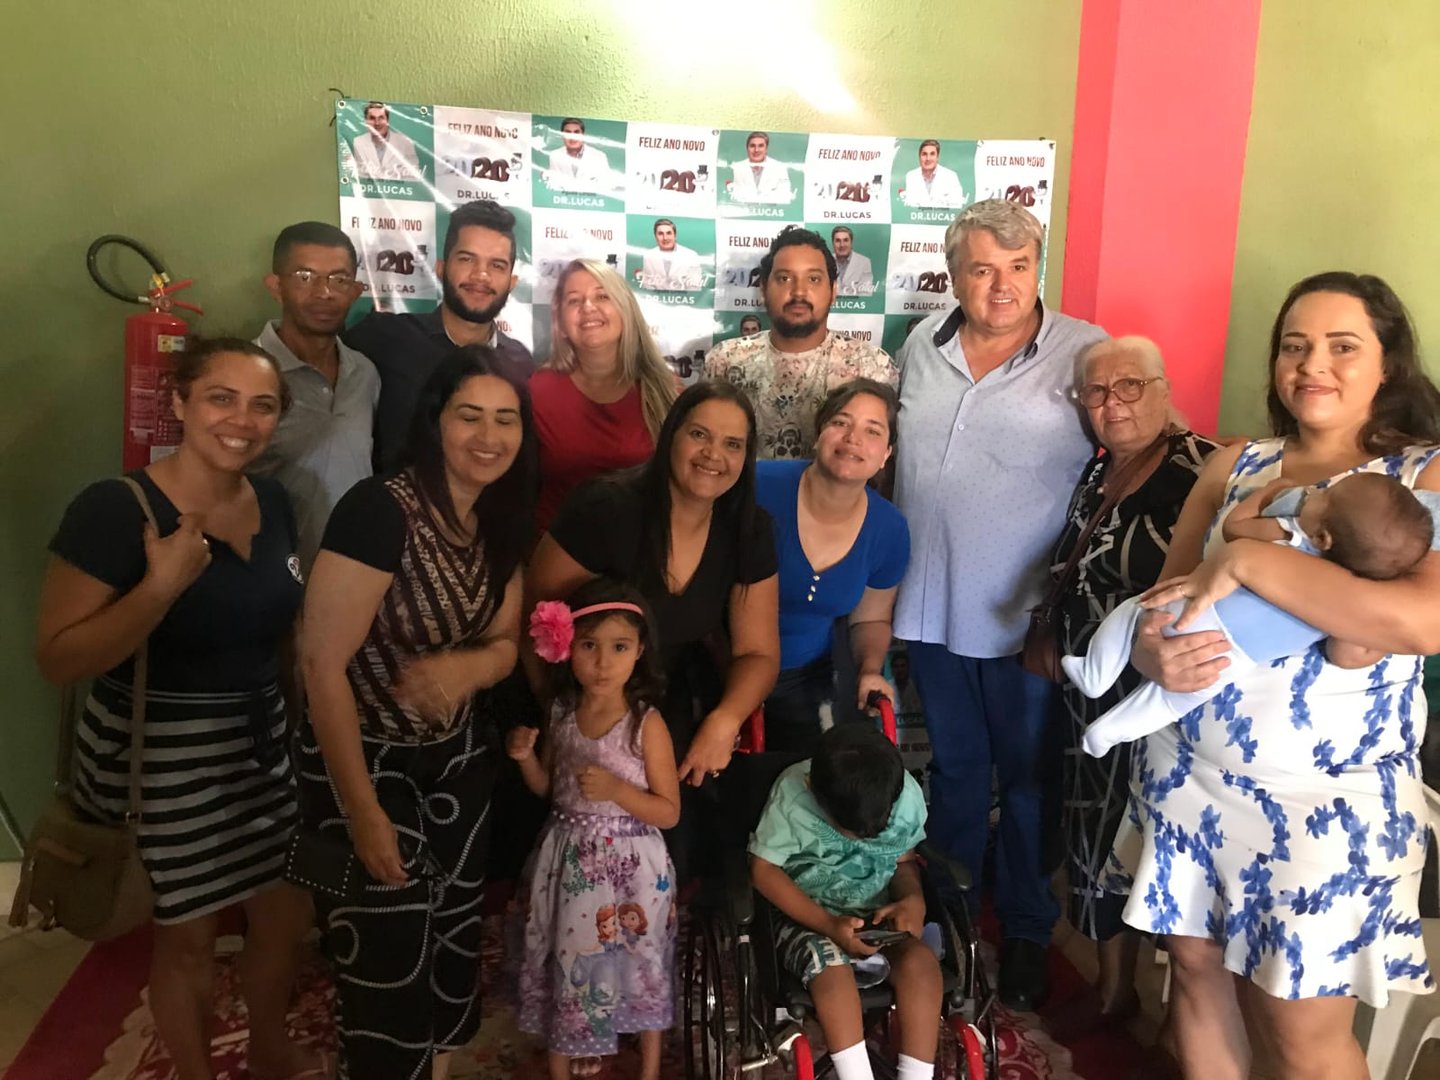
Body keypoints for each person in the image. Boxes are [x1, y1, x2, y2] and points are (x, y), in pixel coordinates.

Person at [1109, 271, 1440, 1079]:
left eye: (1341, 346)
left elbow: (1422, 621)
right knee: (1195, 979)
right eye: (1295, 346)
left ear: (1388, 365)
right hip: (1189, 775)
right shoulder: (1235, 466)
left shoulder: (1423, 476)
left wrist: (1253, 562)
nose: (1311, 364)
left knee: (1298, 1034)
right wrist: (1151, 651)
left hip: (1325, 805)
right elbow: (1165, 597)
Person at [34, 338, 324, 1080]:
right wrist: (160, 588)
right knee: (189, 939)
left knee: (284, 914)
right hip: (158, 754)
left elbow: (282, 631)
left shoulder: (274, 502)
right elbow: (59, 658)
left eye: (262, 406)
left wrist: (301, 728)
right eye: (221, 398)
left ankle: (268, 1047)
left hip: (258, 742)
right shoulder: (114, 508)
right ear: (180, 403)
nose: (242, 421)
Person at [892, 199, 1107, 1011]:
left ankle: (1023, 931)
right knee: (955, 774)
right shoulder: (922, 344)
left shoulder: (1085, 350)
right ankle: (947, 924)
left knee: (1024, 783)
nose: (1003, 286)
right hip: (930, 606)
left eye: (1020, 267)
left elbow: (1140, 443)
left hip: (1026, 619)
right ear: (954, 276)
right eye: (983, 269)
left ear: (1039, 269)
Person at [297, 346, 533, 1080]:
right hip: (364, 762)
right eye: (470, 416)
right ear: (435, 423)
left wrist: (469, 667)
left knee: (454, 941)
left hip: (455, 765)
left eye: (506, 419)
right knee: (385, 958)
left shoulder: (498, 522)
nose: (488, 436)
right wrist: (362, 811)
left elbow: (506, 644)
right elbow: (319, 665)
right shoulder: (380, 510)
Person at [527, 381, 780, 879]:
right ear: (671, 436)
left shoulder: (749, 528)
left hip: (670, 696)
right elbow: (537, 623)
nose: (713, 455)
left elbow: (758, 652)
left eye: (732, 444)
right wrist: (563, 719)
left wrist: (725, 720)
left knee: (680, 853)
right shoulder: (606, 507)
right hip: (580, 692)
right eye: (699, 435)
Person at [1042, 336, 1218, 1035]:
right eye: (1096, 391)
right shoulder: (1098, 469)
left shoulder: (1203, 470)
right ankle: (1113, 987)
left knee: (1147, 840)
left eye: (1130, 386)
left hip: (1162, 697)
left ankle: (1164, 1001)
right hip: (1092, 688)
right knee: (1093, 830)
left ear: (1163, 388)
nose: (1112, 404)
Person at [1070, 470, 1435, 756]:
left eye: (1323, 495)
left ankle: (1094, 671)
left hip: (1195, 609)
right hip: (1227, 659)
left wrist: (1268, 491)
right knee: (1166, 703)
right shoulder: (1347, 602)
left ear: (1323, 537)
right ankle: (1107, 733)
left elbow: (1235, 529)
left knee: (1132, 612)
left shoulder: (1294, 534)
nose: (1314, 491)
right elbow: (1346, 654)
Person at [510, 579, 679, 1080]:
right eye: (589, 646)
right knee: (568, 960)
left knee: (641, 961)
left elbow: (669, 811)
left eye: (619, 647)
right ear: (566, 648)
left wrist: (618, 790)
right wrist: (524, 759)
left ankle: (649, 1068)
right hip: (568, 863)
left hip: (633, 871)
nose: (603, 663)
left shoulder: (646, 724)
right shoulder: (561, 714)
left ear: (639, 651)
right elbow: (550, 787)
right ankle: (562, 1062)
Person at [750, 723, 939, 1080]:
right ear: (812, 788)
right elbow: (762, 870)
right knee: (830, 967)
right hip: (806, 916)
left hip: (875, 914)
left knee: (921, 963)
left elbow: (904, 861)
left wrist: (912, 899)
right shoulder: (792, 796)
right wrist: (828, 925)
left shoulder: (905, 799)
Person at [756, 379, 910, 755]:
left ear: (886, 454)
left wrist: (870, 670)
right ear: (819, 434)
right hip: (720, 668)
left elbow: (870, 619)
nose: (853, 438)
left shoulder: (889, 529)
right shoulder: (757, 486)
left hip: (806, 684)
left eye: (872, 431)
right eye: (841, 422)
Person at [344, 199, 532, 472]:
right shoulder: (385, 338)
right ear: (441, 268)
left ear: (512, 282)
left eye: (497, 265)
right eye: (467, 259)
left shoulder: (520, 363)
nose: (481, 275)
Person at [252, 221, 379, 573]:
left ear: (355, 290)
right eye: (305, 277)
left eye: (339, 279)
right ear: (276, 286)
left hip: (351, 575)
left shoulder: (365, 373)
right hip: (266, 576)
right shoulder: (245, 375)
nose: (324, 292)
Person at [706, 226, 897, 459]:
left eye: (814, 279)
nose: (798, 292)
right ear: (763, 289)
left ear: (833, 290)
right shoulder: (725, 361)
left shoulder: (873, 367)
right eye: (784, 278)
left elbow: (884, 462)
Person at [531, 259, 679, 533]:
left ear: (625, 310)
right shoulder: (537, 391)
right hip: (551, 551)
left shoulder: (667, 390)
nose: (588, 307)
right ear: (560, 323)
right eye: (574, 300)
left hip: (641, 551)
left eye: (602, 296)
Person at [352, 101, 421, 181]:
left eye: (381, 118)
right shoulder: (358, 142)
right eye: (372, 118)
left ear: (387, 121)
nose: (377, 123)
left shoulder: (405, 142)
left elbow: (413, 177)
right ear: (366, 121)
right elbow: (357, 176)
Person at [546, 117, 610, 192]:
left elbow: (605, 187)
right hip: (563, 197)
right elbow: (553, 184)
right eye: (568, 133)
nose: (572, 137)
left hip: (590, 197)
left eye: (576, 132)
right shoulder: (555, 155)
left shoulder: (599, 157)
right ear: (562, 136)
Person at [638, 219, 703, 292]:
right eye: (660, 234)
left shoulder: (691, 255)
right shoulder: (648, 255)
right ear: (655, 236)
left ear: (675, 235)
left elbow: (694, 287)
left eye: (669, 233)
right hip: (656, 298)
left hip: (683, 298)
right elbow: (647, 285)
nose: (665, 238)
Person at [728, 131, 792, 204]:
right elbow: (732, 196)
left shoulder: (780, 168)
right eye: (752, 146)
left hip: (771, 210)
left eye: (761, 146)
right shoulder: (737, 168)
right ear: (747, 148)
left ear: (766, 148)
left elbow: (785, 197)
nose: (756, 150)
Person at [901, 140, 966, 209]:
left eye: (932, 154)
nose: (928, 158)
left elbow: (957, 205)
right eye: (924, 154)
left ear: (937, 157)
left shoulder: (951, 176)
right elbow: (908, 205)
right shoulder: (911, 176)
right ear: (919, 157)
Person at [831, 227, 875, 297]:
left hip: (856, 304)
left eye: (846, 240)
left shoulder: (864, 262)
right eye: (838, 241)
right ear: (833, 243)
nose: (842, 245)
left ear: (851, 242)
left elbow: (866, 293)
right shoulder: (825, 261)